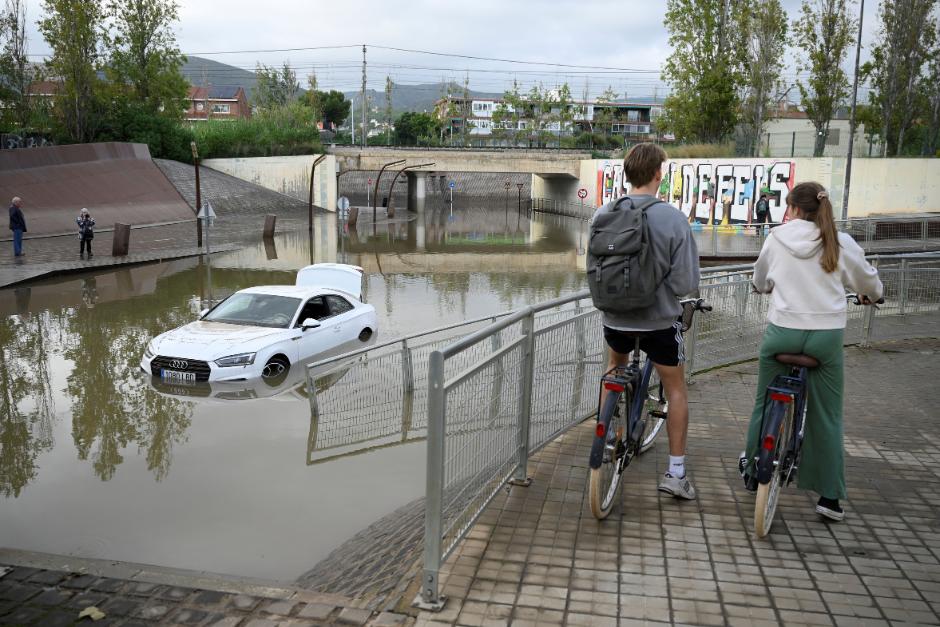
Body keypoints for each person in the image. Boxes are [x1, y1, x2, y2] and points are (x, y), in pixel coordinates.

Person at [740, 181, 883, 521]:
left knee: (764, 400)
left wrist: (765, 287)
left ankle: (751, 468)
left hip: (782, 333)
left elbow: (761, 280)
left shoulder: (776, 238)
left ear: (793, 209)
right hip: (825, 338)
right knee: (827, 415)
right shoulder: (840, 241)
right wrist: (873, 296)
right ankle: (830, 498)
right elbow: (869, 284)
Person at [591, 143, 701, 499]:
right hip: (658, 323)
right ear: (658, 175)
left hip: (615, 319)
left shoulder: (602, 214)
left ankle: (608, 431)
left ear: (627, 175)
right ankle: (676, 473)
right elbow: (686, 283)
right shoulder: (672, 218)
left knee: (613, 367)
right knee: (675, 389)